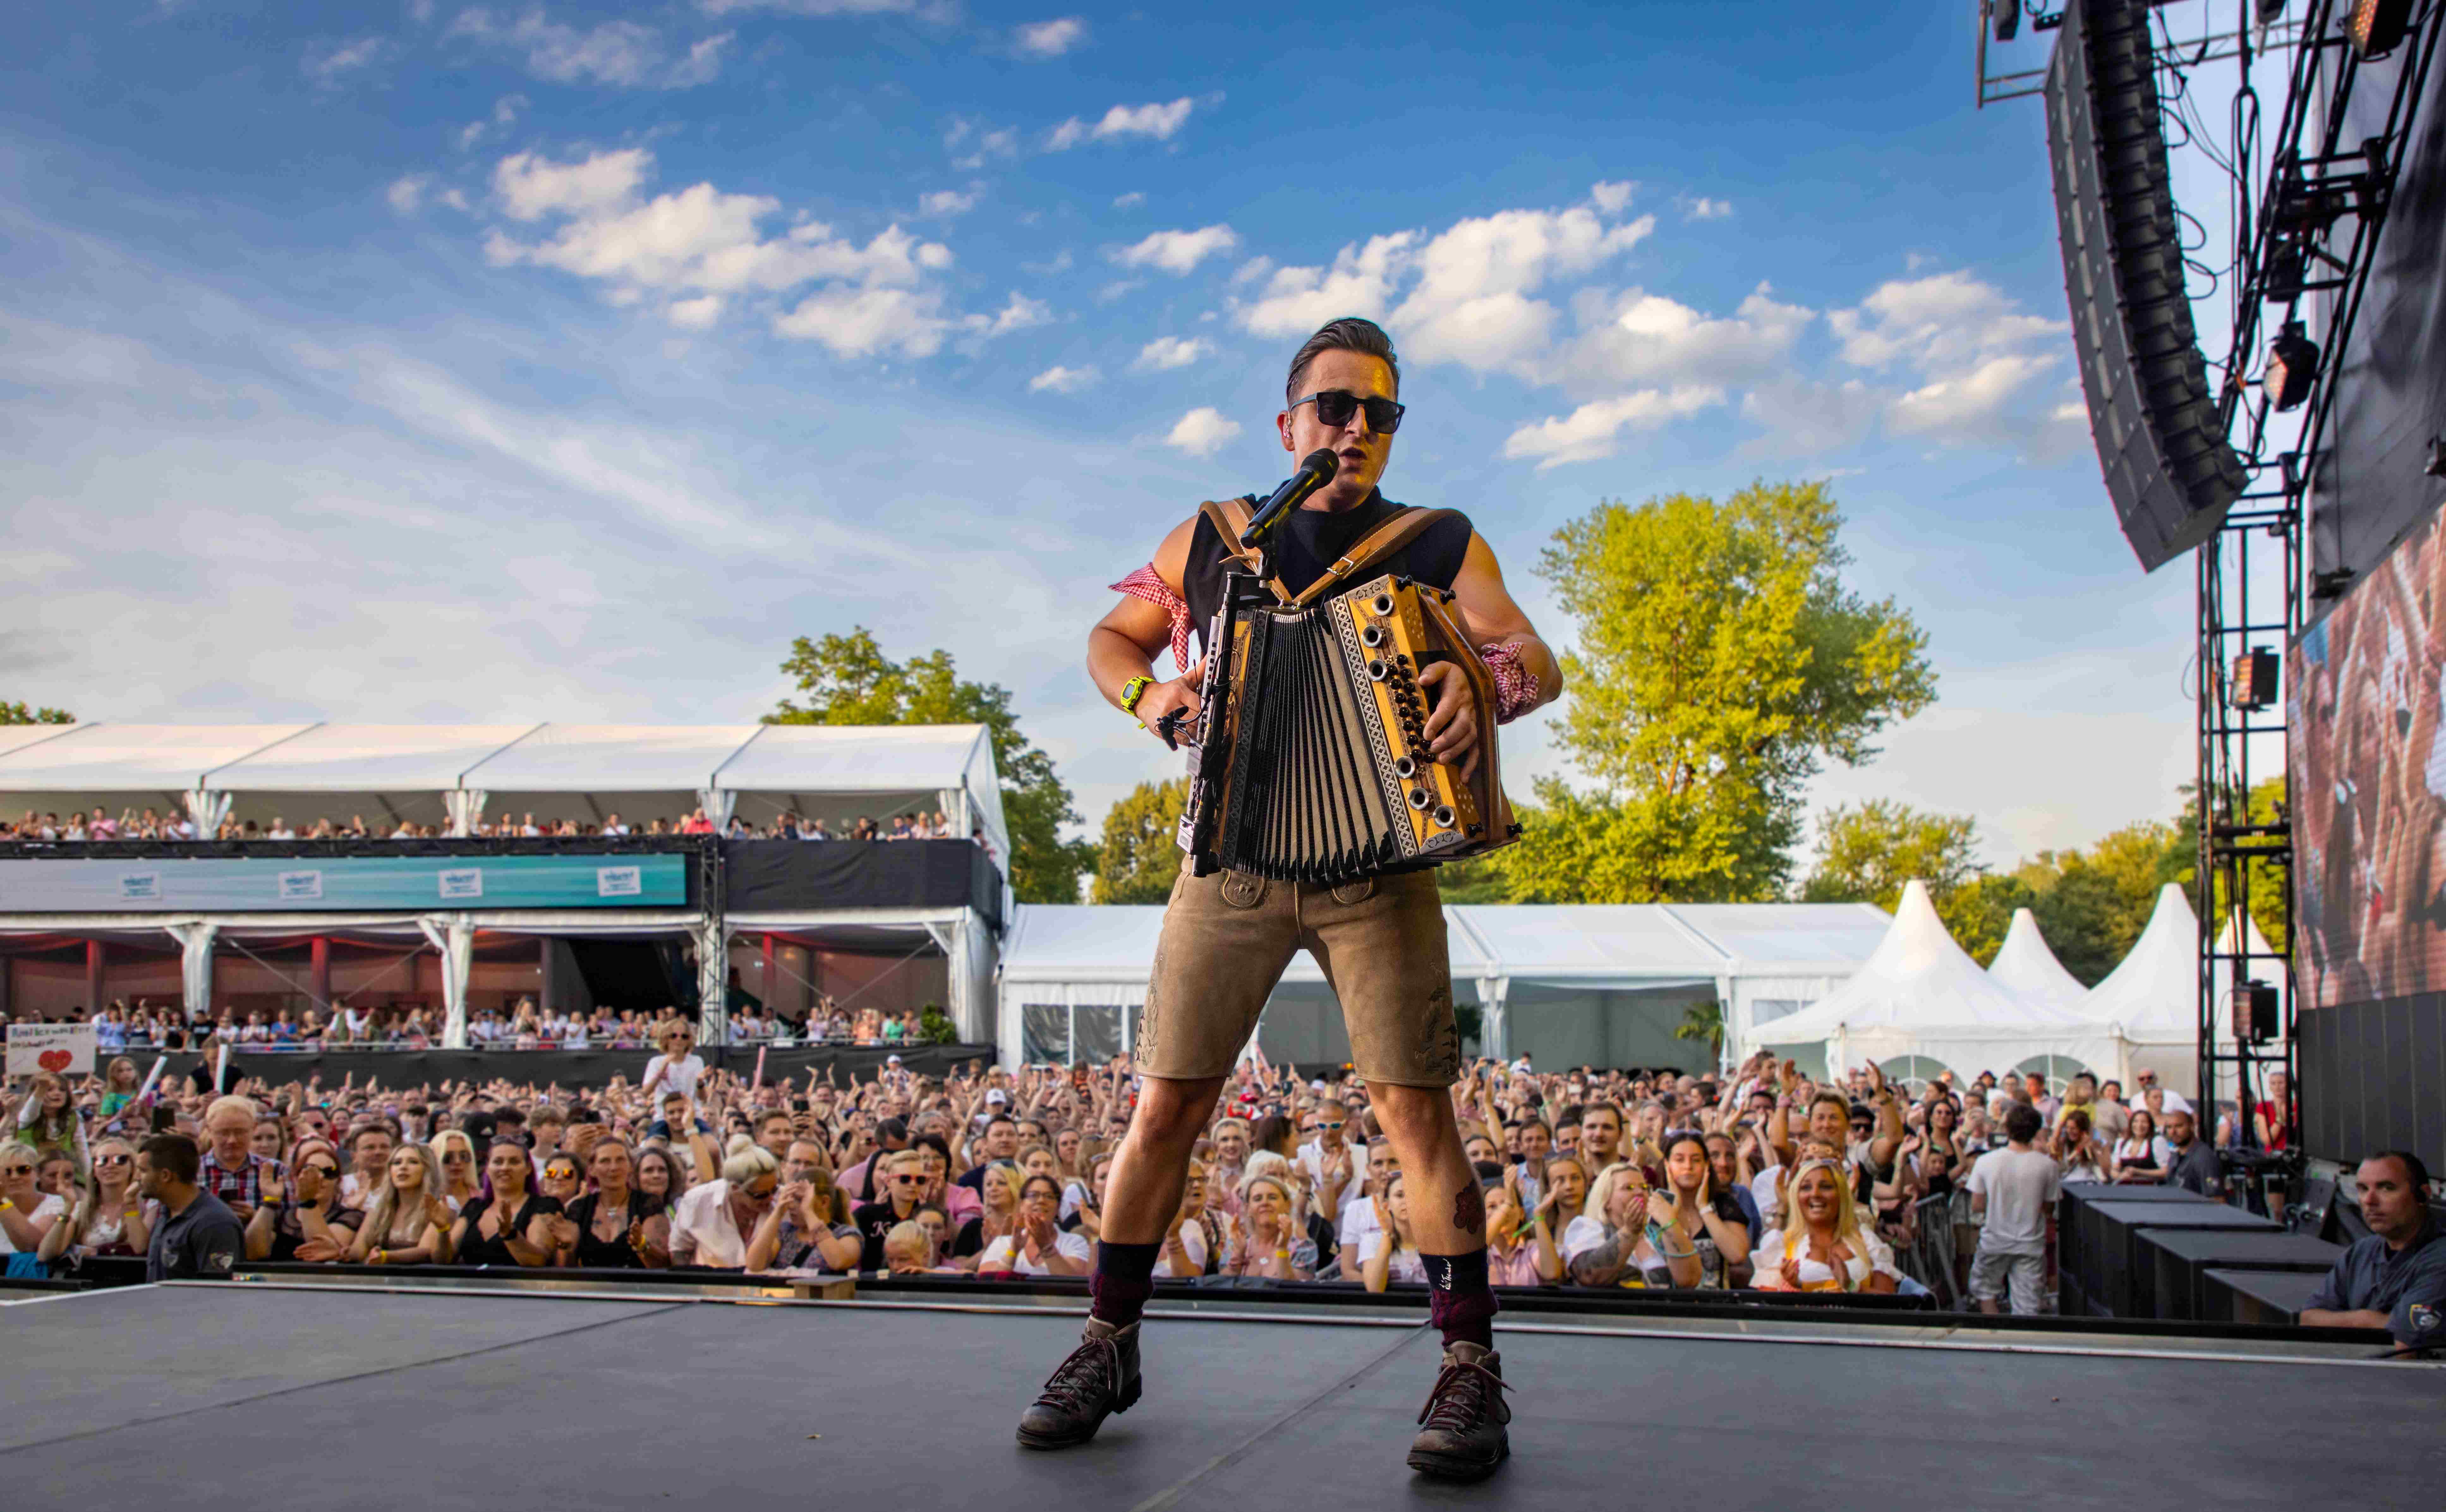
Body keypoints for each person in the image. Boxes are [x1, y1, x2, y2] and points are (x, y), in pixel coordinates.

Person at [1026, 315, 1563, 1481]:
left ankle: (1469, 1368)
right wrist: (1152, 701)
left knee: (1416, 1115)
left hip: (1378, 868)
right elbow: (1108, 639)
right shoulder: (1213, 535)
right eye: (1334, 407)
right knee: (1164, 1105)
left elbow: (1532, 655)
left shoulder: (1436, 541)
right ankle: (1104, 1341)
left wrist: (1480, 682)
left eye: (1378, 412)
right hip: (1229, 861)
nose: (1355, 428)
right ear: (1288, 425)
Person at [2300, 1151, 2446, 1347]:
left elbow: (2403, 1347)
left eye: (2387, 1188)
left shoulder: (2440, 1258)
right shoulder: (2362, 1251)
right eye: (2362, 1189)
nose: (2370, 1201)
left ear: (2423, 1195)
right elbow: (2308, 1319)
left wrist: (2345, 1321)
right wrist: (2366, 1319)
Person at [1754, 1159, 1901, 1294]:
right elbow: (1767, 1310)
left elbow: (1890, 1303)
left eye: (1826, 1187)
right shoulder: (1781, 1245)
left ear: (1841, 1196)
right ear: (1796, 1197)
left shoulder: (1865, 1240)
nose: (1816, 1194)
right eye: (1806, 1188)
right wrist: (1793, 1287)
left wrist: (1851, 1286)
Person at [1967, 1104, 2060, 1316]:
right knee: (2027, 1304)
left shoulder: (1986, 1161)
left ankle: (1993, 1337)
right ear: (2036, 1130)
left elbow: (1977, 1205)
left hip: (1995, 1239)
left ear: (2007, 1129)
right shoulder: (2048, 1166)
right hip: (2030, 1242)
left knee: (1985, 1291)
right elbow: (2048, 1207)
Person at [135, 1133, 245, 1281]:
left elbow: (217, 1292)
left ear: (165, 1176)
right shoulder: (166, 1212)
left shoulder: (215, 1223)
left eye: (143, 1171)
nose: (137, 1178)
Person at [670, 1138, 781, 1270]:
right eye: (761, 1195)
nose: (771, 1199)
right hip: (709, 1284)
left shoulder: (783, 1199)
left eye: (775, 1190)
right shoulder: (698, 1200)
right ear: (735, 1189)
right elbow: (679, 1251)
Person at [451, 1142, 561, 1268]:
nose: (505, 1168)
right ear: (488, 1168)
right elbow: (444, 1258)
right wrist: (442, 1230)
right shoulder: (475, 1207)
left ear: (529, 1168)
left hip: (519, 1287)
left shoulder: (544, 1206)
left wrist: (511, 1235)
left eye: (514, 1162)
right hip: (471, 1286)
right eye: (498, 1162)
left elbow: (538, 1260)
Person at [345, 1143, 455, 1266]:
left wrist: (386, 1257)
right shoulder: (380, 1207)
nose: (403, 1167)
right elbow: (359, 1251)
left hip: (420, 1281)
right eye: (397, 1163)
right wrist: (341, 1252)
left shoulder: (441, 1205)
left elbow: (426, 1252)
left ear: (427, 1170)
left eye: (413, 1162)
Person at [978, 1174, 1091, 1277]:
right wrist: (1013, 1251)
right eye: (1033, 1195)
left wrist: (1047, 1247)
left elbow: (1074, 1285)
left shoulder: (1075, 1242)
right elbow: (986, 1285)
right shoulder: (1002, 1243)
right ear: (1022, 1205)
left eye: (1049, 1197)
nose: (1041, 1201)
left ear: (1058, 1207)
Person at [2159, 1107, 2222, 1196]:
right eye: (2169, 1127)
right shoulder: (2175, 1156)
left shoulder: (2204, 1158)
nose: (2173, 1132)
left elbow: (2217, 1199)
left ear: (2192, 1127)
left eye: (2179, 1126)